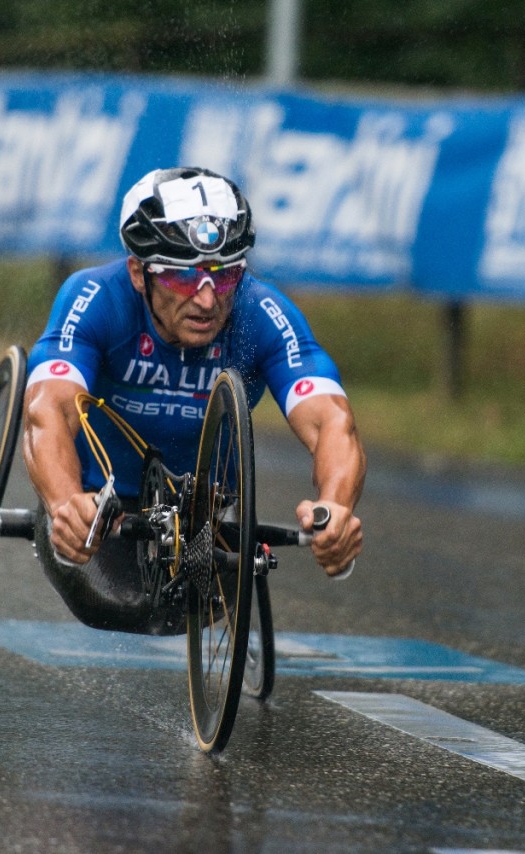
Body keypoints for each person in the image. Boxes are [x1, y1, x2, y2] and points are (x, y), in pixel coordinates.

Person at [21, 166, 365, 633]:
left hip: (203, 507)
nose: (207, 301)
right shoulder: (96, 298)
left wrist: (337, 506)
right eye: (185, 279)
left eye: (225, 278)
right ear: (139, 272)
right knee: (116, 604)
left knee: (175, 612)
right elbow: (48, 410)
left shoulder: (261, 313)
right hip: (96, 502)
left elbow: (331, 422)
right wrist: (63, 502)